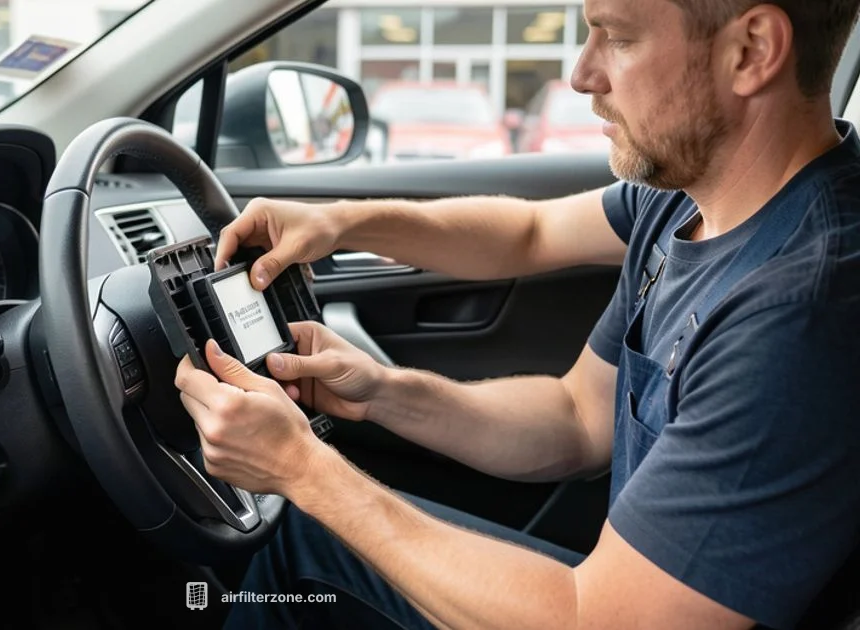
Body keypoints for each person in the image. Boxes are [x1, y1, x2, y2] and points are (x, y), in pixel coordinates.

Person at [174, 0, 860, 628]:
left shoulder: (801, 313)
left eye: (617, 39)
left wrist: (301, 467)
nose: (581, 73)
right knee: (306, 538)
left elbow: (599, 620)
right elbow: (575, 409)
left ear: (751, 51)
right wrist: (378, 378)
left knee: (305, 539)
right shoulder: (690, 198)